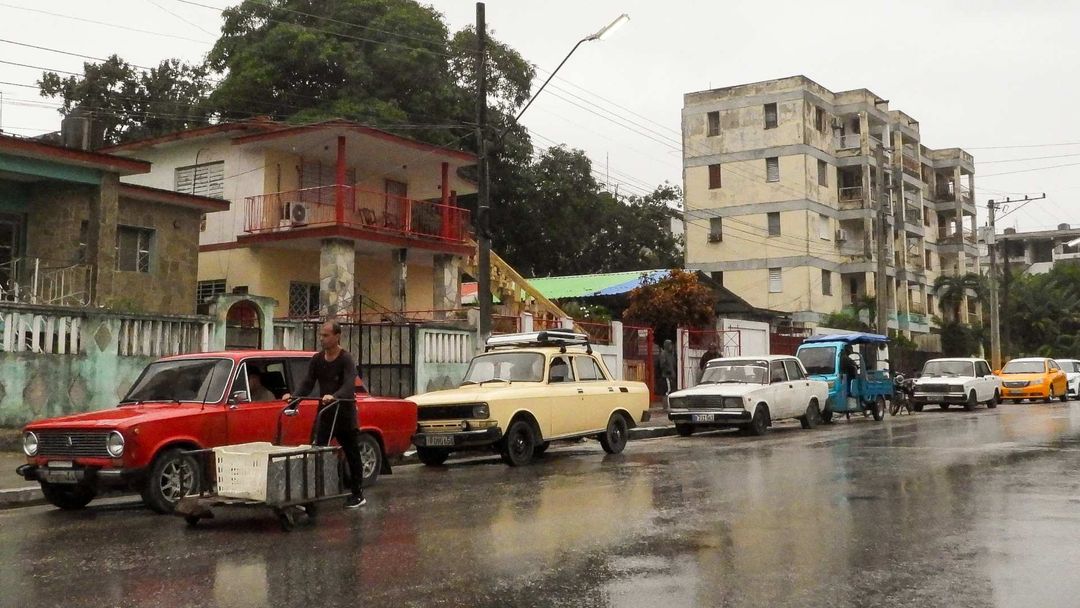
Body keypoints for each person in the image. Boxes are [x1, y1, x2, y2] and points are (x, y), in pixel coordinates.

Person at [283, 321, 366, 509]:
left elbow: (348, 385)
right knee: (316, 452)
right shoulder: (317, 359)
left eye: (326, 335)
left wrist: (335, 396)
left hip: (343, 412)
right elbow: (308, 382)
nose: (322, 339)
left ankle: (357, 493)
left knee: (352, 453)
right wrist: (294, 398)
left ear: (337, 337)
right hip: (325, 413)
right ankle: (311, 497)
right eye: (321, 335)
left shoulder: (346, 359)